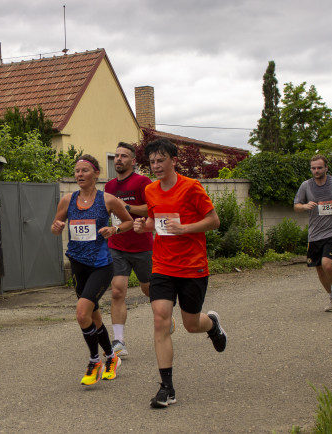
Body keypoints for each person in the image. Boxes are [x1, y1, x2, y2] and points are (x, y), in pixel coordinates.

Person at [132, 138, 227, 408]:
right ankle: (167, 388)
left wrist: (185, 228)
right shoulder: (151, 190)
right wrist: (143, 226)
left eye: (161, 160)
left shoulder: (191, 187)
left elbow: (214, 220)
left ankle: (212, 324)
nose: (156, 165)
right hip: (162, 265)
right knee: (160, 320)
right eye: (152, 162)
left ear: (173, 160)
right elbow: (155, 221)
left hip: (192, 266)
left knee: (190, 324)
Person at [51, 154, 134, 385]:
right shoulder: (68, 200)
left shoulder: (107, 200)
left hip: (101, 265)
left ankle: (94, 360)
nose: (80, 175)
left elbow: (127, 222)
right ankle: (111, 357)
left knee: (81, 313)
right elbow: (56, 227)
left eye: (85, 170)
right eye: (77, 171)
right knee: (93, 315)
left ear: (96, 173)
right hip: (78, 264)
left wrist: (114, 230)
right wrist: (56, 227)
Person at [104, 142, 157, 358]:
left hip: (142, 246)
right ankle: (118, 341)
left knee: (149, 290)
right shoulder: (108, 187)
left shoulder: (142, 182)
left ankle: (163, 315)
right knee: (117, 291)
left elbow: (152, 207)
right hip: (117, 246)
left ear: (133, 161)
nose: (118, 159)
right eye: (116, 156)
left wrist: (125, 207)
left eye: (123, 156)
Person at [293, 154, 332, 312]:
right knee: (319, 268)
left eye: (319, 168)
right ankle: (331, 297)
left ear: (326, 168)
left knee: (328, 265)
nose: (316, 171)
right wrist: (305, 206)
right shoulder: (306, 186)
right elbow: (296, 206)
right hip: (315, 234)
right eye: (313, 168)